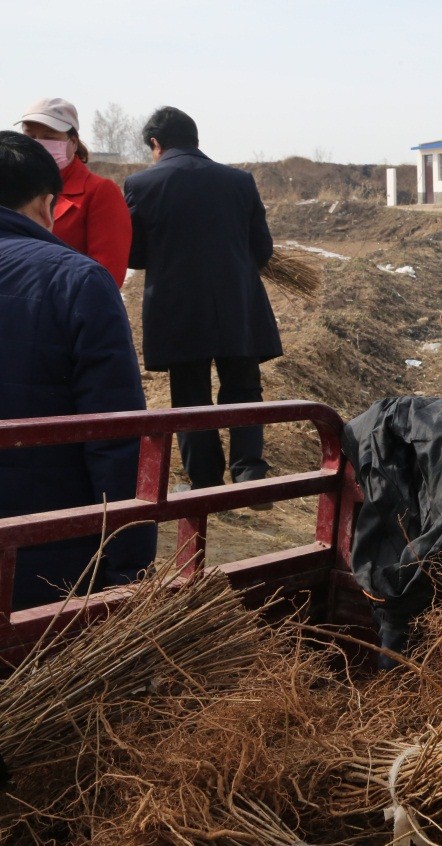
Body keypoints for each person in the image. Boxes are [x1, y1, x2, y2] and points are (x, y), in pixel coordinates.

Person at [0, 131, 155, 609]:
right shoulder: (75, 279)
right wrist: (130, 568)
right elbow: (114, 431)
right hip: (43, 557)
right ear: (48, 205)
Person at [125, 107, 281, 496]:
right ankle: (249, 474)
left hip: (178, 309)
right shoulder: (239, 181)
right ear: (196, 139)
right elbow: (261, 249)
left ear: (156, 144)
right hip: (237, 304)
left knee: (190, 395)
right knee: (244, 387)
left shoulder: (141, 184)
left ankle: (205, 482)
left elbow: (136, 255)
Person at [17, 98, 131, 288]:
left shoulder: (99, 192)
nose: (37, 144)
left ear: (73, 142)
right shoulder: (14, 188)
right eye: (30, 136)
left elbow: (107, 274)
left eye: (49, 137)